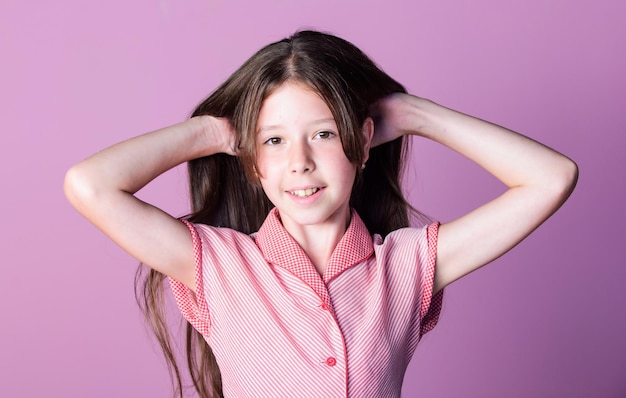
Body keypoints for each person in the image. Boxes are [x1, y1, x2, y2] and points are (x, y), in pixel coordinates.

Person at [64, 30, 578, 398]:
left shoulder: (408, 265)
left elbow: (551, 177)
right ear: (252, 159)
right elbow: (90, 185)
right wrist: (214, 134)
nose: (300, 162)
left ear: (362, 142)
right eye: (274, 141)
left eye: (325, 133)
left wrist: (420, 115)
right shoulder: (218, 266)